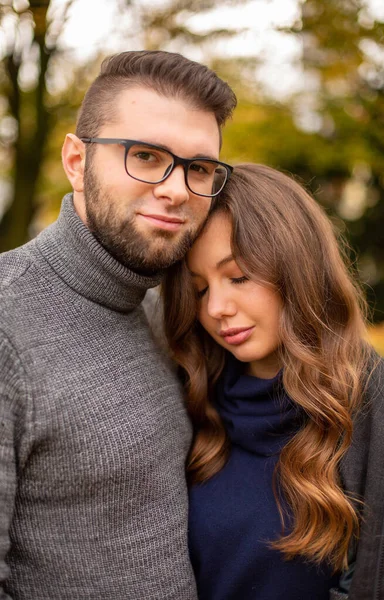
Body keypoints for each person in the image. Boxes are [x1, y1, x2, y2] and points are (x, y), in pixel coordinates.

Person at [0, 50, 236, 599]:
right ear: (76, 161)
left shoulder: (165, 314)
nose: (176, 189)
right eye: (146, 156)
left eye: (198, 168)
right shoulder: (9, 325)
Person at [162, 163, 384, 600]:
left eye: (238, 277)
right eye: (199, 289)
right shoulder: (187, 403)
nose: (216, 307)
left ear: (297, 267)